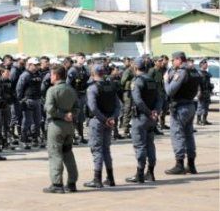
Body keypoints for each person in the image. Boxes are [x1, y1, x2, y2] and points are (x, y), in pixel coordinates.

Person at [83, 64, 121, 188]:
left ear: (92, 74)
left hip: (98, 121)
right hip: (109, 121)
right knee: (106, 149)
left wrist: (105, 119)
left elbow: (93, 108)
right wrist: (112, 118)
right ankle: (110, 178)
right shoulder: (111, 87)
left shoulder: (92, 88)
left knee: (97, 150)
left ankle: (97, 179)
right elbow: (118, 105)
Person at [43, 65, 79, 194]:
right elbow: (77, 107)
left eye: (51, 75)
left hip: (56, 125)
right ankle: (72, 182)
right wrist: (71, 115)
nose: (50, 77)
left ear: (56, 75)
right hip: (69, 126)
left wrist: (62, 115)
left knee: (55, 154)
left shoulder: (52, 90)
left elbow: (50, 109)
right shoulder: (71, 89)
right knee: (68, 153)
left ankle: (57, 184)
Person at [164, 51, 201, 175]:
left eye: (173, 60)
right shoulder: (194, 71)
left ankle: (179, 164)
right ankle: (191, 165)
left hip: (180, 107)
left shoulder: (182, 72)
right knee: (189, 135)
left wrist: (166, 81)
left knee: (177, 134)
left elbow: (170, 91)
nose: (172, 62)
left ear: (179, 60)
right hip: (190, 105)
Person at [127, 56, 162, 184]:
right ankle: (150, 172)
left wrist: (148, 112)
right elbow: (159, 98)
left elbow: (138, 100)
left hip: (141, 117)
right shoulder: (152, 80)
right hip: (152, 118)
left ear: (136, 67)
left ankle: (140, 173)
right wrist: (155, 112)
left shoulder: (137, 81)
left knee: (140, 145)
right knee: (150, 144)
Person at [16, 58, 43, 150]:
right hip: (28, 100)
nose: (36, 67)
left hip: (37, 100)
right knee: (26, 121)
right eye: (35, 65)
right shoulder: (25, 75)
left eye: (37, 65)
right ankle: (24, 139)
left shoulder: (38, 74)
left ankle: (35, 139)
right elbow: (19, 88)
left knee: (37, 121)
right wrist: (21, 100)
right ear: (30, 65)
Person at [66, 53, 89, 144]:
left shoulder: (84, 69)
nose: (83, 60)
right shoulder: (73, 70)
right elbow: (68, 84)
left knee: (81, 117)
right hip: (75, 96)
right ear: (76, 59)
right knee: (74, 117)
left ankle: (81, 136)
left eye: (84, 58)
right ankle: (72, 137)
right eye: (82, 58)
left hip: (82, 95)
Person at [196, 59, 213, 125]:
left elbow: (208, 83)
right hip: (201, 92)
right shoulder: (199, 73)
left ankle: (204, 120)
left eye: (206, 64)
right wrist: (199, 91)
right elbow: (197, 84)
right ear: (201, 65)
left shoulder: (207, 73)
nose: (207, 65)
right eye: (205, 64)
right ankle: (198, 120)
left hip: (207, 92)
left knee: (206, 106)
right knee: (200, 106)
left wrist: (211, 88)